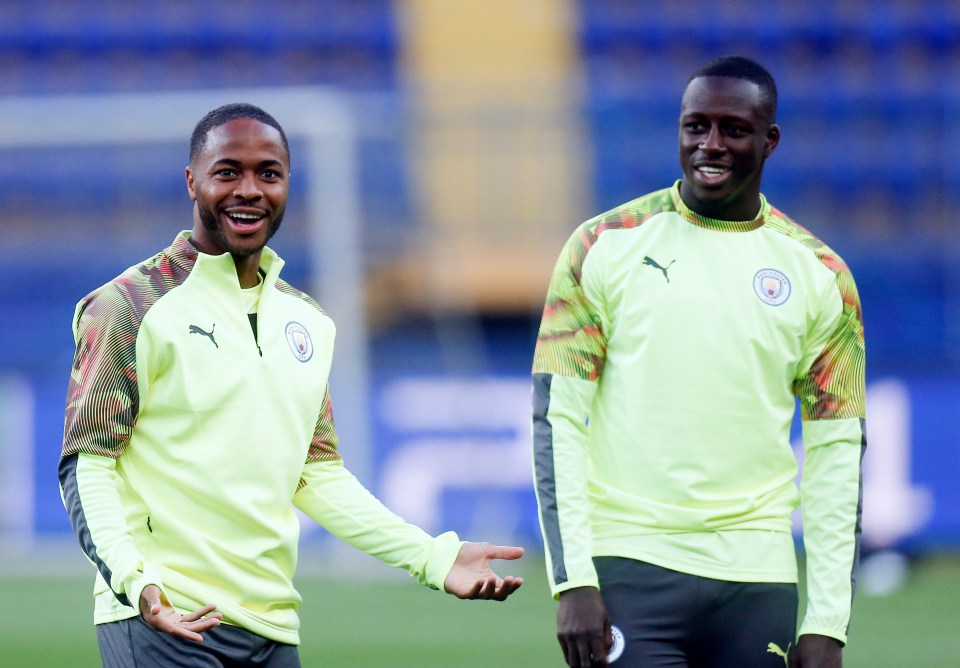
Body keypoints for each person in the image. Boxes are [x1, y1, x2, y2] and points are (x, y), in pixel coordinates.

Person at [59, 102, 523, 668]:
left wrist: (433, 557)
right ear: (192, 181)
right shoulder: (130, 307)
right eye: (228, 171)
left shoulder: (307, 321)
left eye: (268, 174)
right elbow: (88, 466)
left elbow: (316, 475)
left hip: (272, 626)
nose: (249, 190)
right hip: (165, 619)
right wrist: (136, 583)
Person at [531, 55, 865, 667]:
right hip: (630, 565)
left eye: (733, 129)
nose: (710, 145)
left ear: (770, 141)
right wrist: (573, 579)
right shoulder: (602, 245)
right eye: (695, 126)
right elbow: (555, 423)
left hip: (758, 581)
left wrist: (827, 622)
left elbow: (837, 457)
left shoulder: (822, 277)